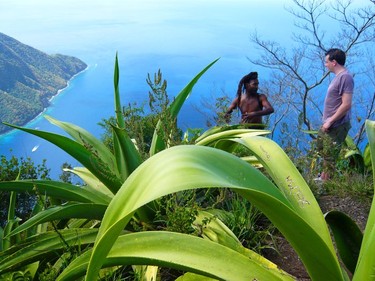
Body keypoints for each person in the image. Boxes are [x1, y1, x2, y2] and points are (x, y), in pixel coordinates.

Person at [317, 48, 354, 181]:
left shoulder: (346, 77)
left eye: (326, 62)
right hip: (330, 123)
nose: (325, 64)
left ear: (334, 62)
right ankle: (323, 177)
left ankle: (326, 183)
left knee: (330, 155)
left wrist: (330, 121)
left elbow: (346, 104)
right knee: (322, 148)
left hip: (337, 124)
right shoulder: (339, 77)